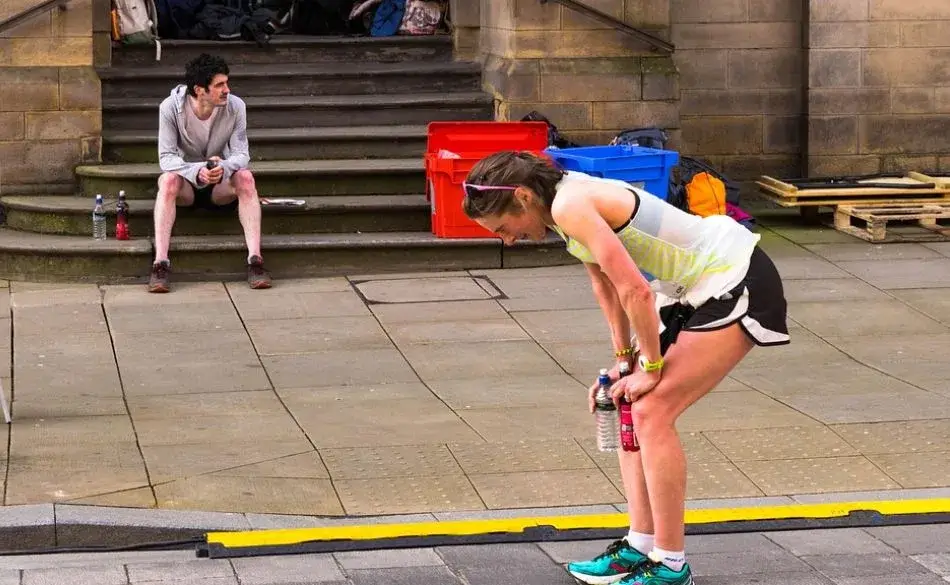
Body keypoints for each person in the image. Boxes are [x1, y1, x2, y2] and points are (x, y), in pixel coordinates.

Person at [461, 151, 789, 585]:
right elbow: (606, 288)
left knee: (654, 411)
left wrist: (650, 366)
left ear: (522, 197)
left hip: (733, 276)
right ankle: (640, 545)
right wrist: (624, 363)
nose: (507, 240)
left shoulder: (568, 205)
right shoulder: (560, 206)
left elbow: (635, 290)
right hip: (693, 288)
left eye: (503, 228)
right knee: (628, 402)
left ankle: (671, 566)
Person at [150, 53, 271, 293]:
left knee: (246, 177)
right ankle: (160, 265)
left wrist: (223, 166)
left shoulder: (236, 106)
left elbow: (241, 154)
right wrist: (196, 171)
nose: (227, 89)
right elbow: (166, 158)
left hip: (220, 185)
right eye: (219, 85)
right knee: (167, 180)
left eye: (226, 83)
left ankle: (255, 261)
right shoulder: (170, 108)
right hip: (187, 185)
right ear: (199, 89)